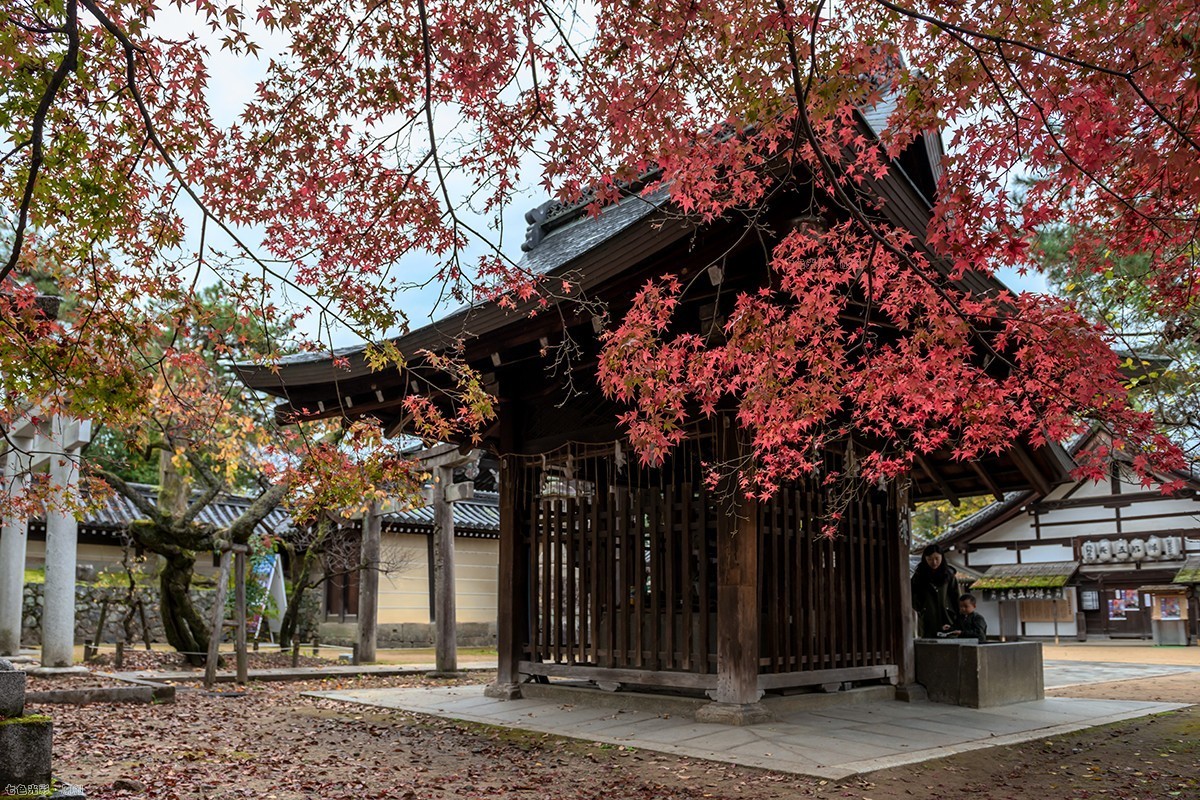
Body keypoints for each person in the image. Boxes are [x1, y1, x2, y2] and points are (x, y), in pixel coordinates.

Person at [911, 543, 960, 638]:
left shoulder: (949, 575)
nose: (934, 562)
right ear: (925, 559)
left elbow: (956, 596)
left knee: (949, 639)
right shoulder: (919, 575)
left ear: (942, 557)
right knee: (929, 639)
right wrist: (921, 608)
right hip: (928, 615)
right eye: (930, 559)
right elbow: (912, 594)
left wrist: (957, 615)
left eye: (937, 558)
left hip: (948, 614)